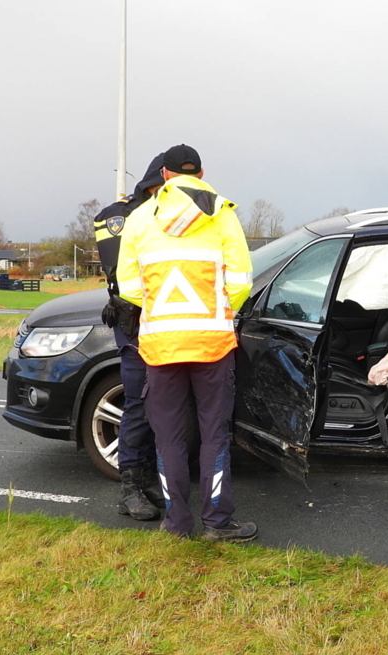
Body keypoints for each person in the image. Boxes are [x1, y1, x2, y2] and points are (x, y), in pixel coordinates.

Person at [116, 144, 256, 541]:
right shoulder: (222, 214)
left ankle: (177, 523)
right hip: (212, 344)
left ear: (164, 175)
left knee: (169, 437)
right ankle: (217, 522)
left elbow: (129, 288)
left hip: (160, 347)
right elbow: (242, 282)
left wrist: (160, 311)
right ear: (201, 173)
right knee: (214, 435)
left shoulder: (140, 219)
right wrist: (220, 312)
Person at [95, 154, 169, 521]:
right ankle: (130, 488)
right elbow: (123, 274)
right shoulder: (120, 216)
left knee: (162, 404)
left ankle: (149, 478)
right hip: (136, 325)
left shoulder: (171, 213)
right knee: (139, 402)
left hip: (169, 326)